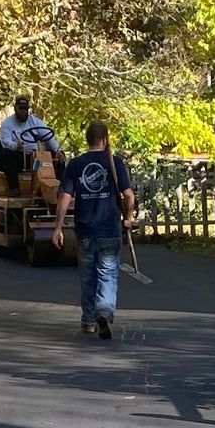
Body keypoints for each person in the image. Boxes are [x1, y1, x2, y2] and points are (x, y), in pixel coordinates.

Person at [52, 119, 136, 339]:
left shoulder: (76, 164)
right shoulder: (115, 163)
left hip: (86, 230)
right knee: (107, 275)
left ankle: (89, 320)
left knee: (88, 276)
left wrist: (58, 227)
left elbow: (64, 197)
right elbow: (128, 195)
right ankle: (105, 314)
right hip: (109, 230)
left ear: (87, 139)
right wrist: (127, 218)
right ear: (105, 140)